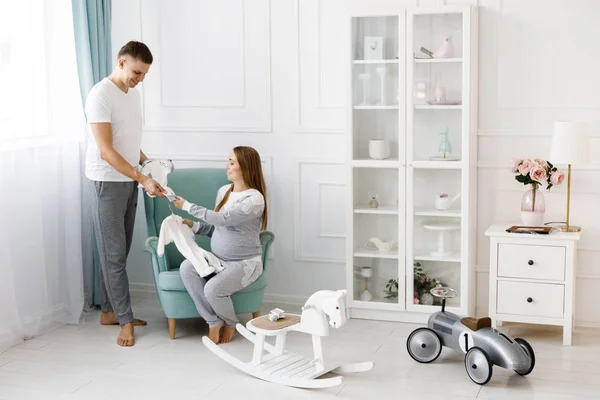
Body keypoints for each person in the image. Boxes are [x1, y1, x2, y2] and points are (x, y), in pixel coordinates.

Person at [85, 41, 166, 347]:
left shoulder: (132, 95)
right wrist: (142, 177)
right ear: (121, 62)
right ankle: (126, 321)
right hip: (107, 181)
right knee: (114, 254)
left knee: (118, 251)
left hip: (129, 178)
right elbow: (106, 151)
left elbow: (127, 140)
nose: (140, 79)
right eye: (136, 72)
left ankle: (109, 311)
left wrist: (147, 163)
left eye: (144, 74)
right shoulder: (100, 95)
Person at [173, 146, 268, 344]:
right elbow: (218, 226)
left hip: (244, 264)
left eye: (232, 162)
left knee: (213, 289)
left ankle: (231, 323)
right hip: (220, 260)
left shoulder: (254, 199)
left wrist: (188, 206)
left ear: (246, 167)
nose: (227, 166)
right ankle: (213, 321)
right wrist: (195, 226)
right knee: (187, 267)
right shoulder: (224, 191)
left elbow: (224, 218)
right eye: (229, 161)